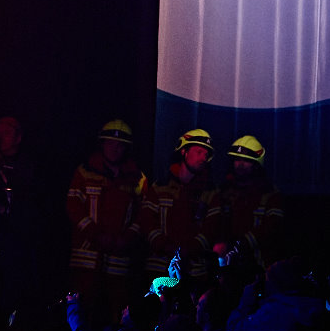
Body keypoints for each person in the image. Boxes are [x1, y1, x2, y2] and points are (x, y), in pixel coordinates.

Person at [67, 119, 150, 318]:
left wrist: (127, 238)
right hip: (86, 258)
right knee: (80, 312)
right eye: (111, 143)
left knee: (117, 312)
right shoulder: (84, 172)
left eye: (121, 145)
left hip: (119, 260)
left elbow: (145, 214)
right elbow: (73, 206)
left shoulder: (138, 178)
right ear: (102, 144)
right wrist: (95, 235)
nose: (115, 148)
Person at [140, 129, 220, 283]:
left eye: (206, 154)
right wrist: (164, 245)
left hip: (194, 272)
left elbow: (212, 229)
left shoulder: (211, 193)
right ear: (184, 152)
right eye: (198, 152)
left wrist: (189, 249)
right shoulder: (160, 187)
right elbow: (146, 222)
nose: (203, 157)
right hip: (158, 268)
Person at [214, 135, 284, 268]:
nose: (240, 164)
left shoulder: (269, 194)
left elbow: (272, 229)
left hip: (260, 266)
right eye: (237, 159)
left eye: (246, 160)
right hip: (229, 266)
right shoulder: (224, 192)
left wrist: (241, 243)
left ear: (257, 165)